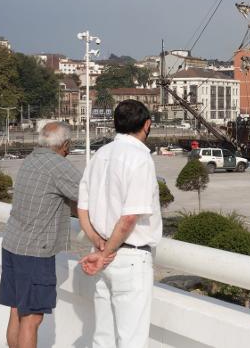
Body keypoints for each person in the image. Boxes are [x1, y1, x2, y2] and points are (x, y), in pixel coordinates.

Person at [78, 100, 162, 348]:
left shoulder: (100, 154)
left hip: (103, 251)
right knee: (131, 340)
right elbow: (129, 218)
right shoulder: (139, 158)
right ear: (147, 125)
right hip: (128, 257)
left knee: (102, 337)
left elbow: (82, 208)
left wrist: (98, 244)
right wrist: (108, 252)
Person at [0, 122, 81, 348]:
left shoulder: (32, 159)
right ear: (65, 144)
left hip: (13, 244)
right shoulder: (58, 165)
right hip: (35, 251)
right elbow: (87, 196)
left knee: (17, 310)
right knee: (32, 318)